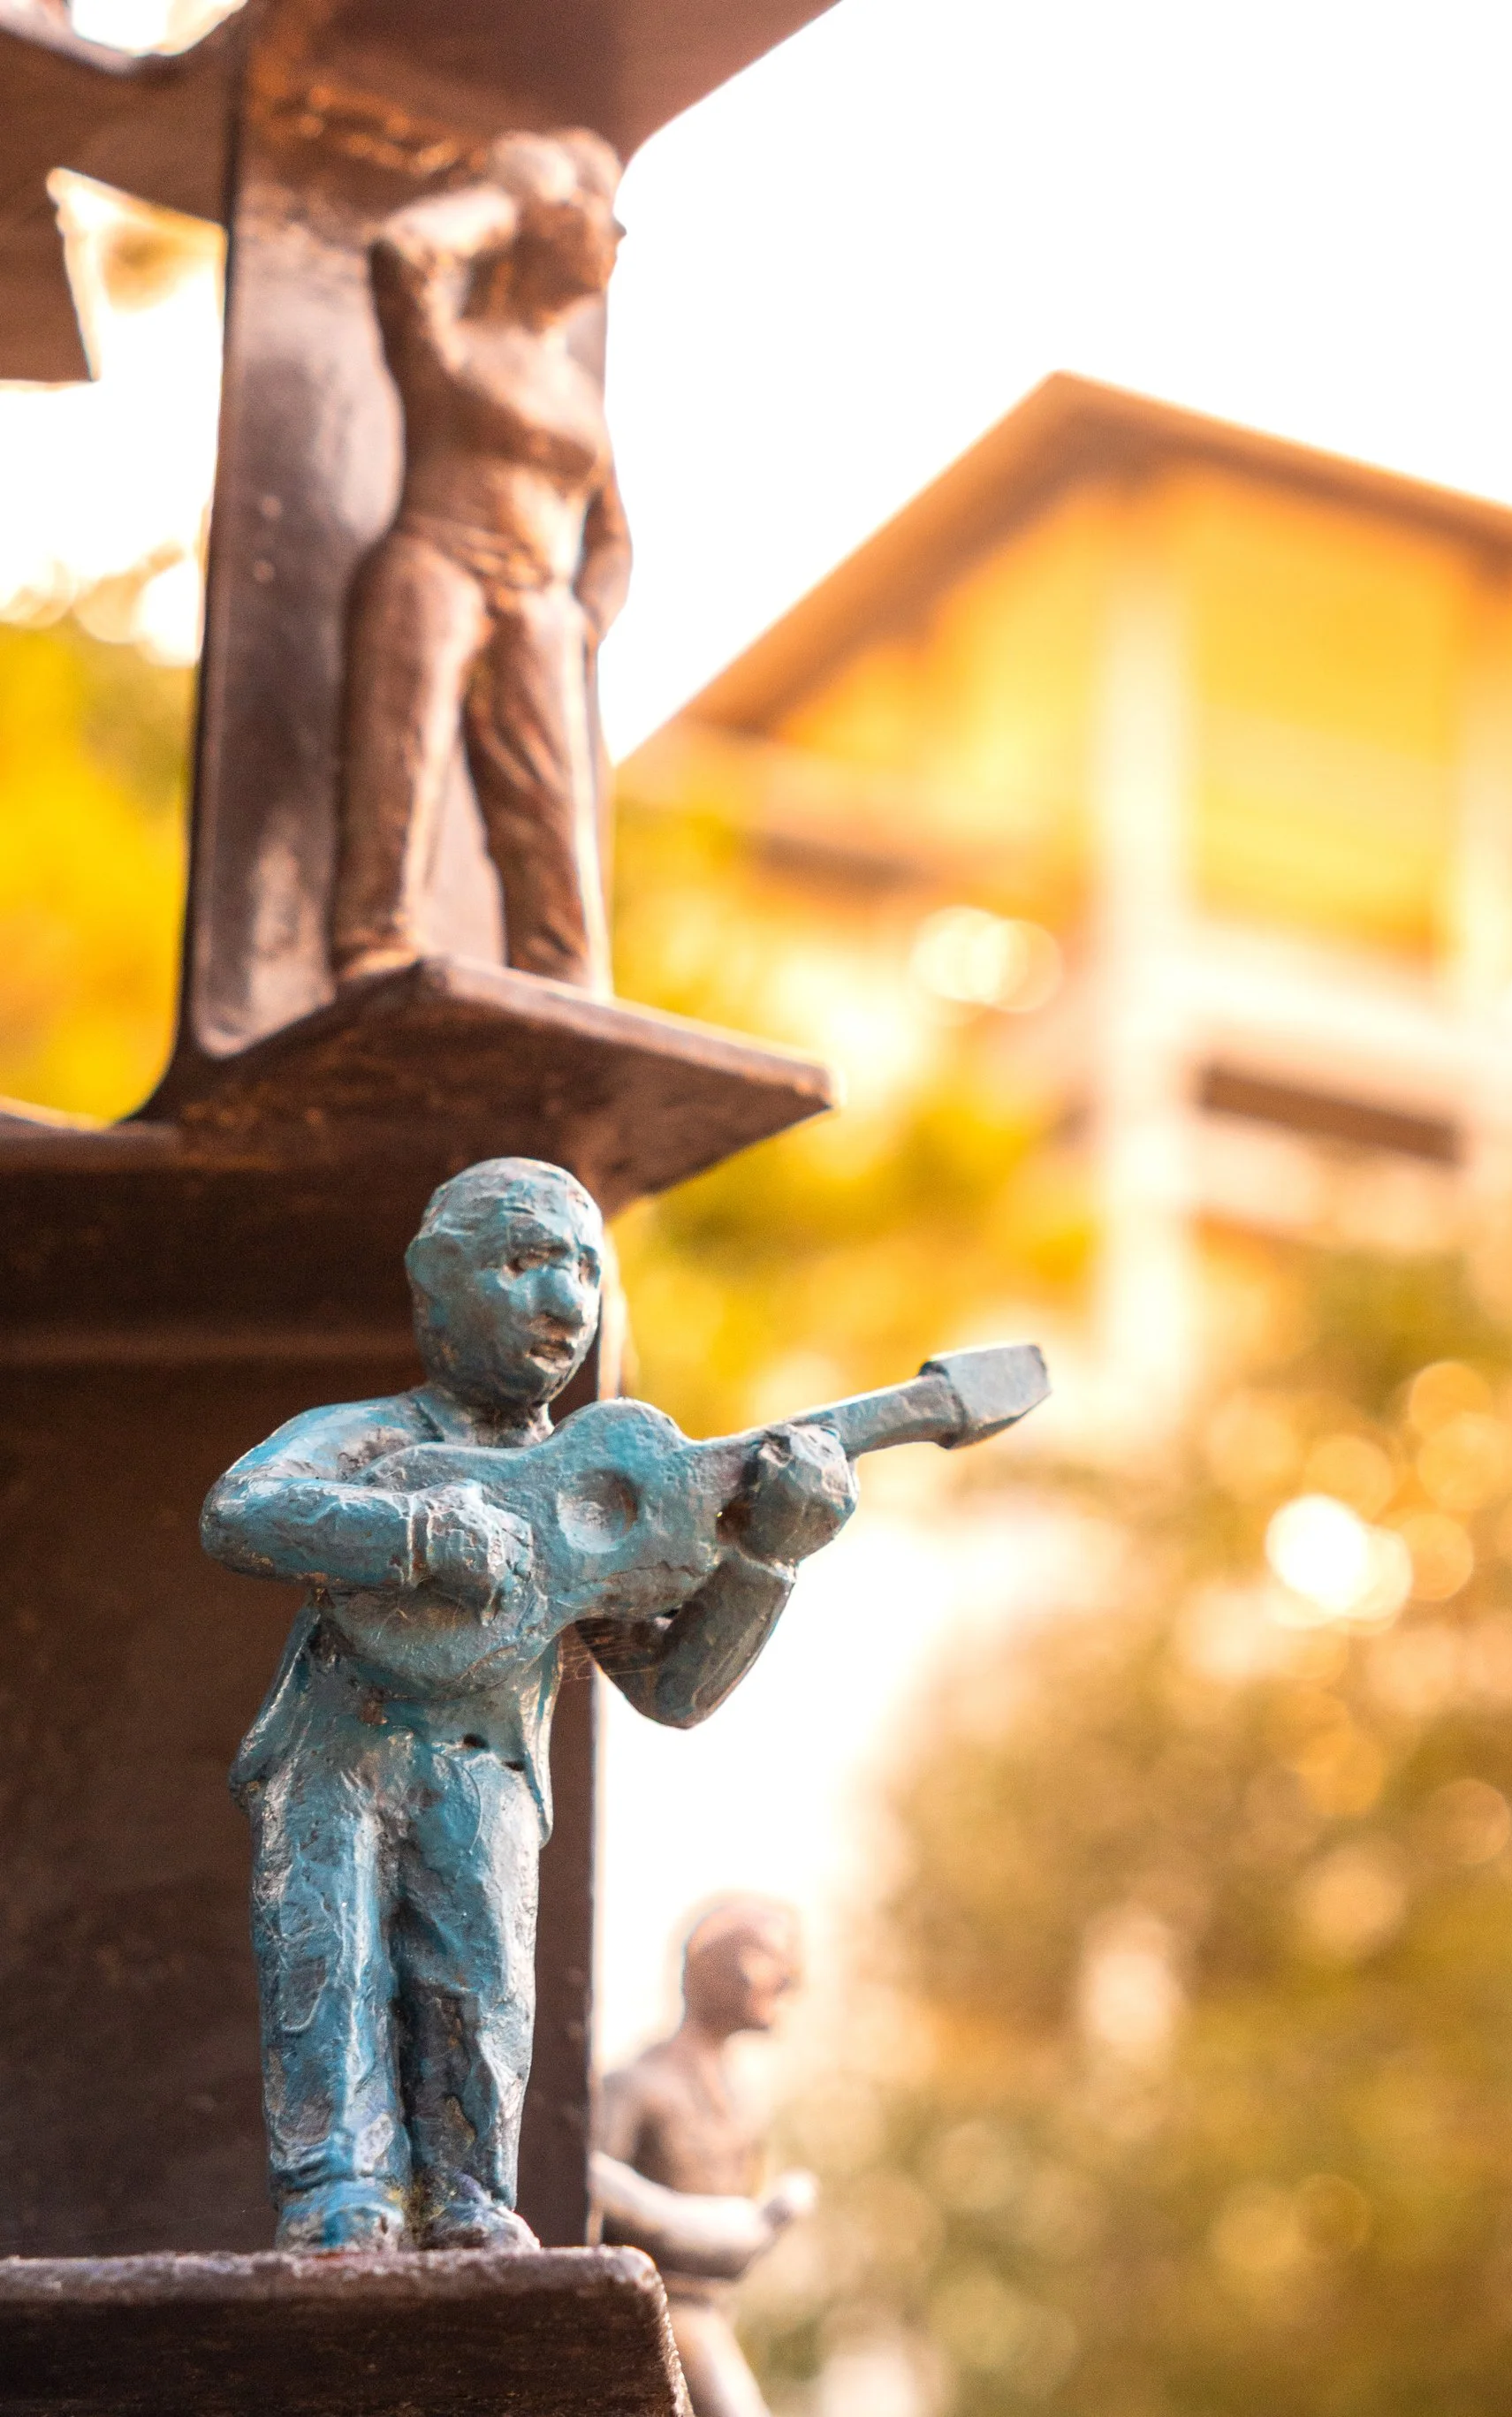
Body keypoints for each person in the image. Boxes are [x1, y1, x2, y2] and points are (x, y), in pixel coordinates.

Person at [202, 1159, 855, 2254]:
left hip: (489, 1772)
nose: (565, 1301)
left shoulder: (598, 1485)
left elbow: (674, 1687)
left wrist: (766, 1562)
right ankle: (336, 2190)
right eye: (524, 1261)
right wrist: (411, 1534)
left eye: (587, 1269)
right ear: (433, 1280)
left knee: (480, 1984)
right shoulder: (372, 1437)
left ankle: (468, 2193)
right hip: (331, 1759)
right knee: (329, 1961)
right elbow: (241, 1510)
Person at [329, 129, 632, 994]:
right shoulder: (453, 344)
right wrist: (504, 198)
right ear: (543, 218)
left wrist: (585, 616)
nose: (614, 238)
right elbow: (404, 252)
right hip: (437, 563)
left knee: (551, 814)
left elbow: (612, 535)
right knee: (403, 761)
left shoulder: (577, 392)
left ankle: (565, 982)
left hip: (537, 600)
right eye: (594, 210)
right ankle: (375, 940)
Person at [596, 1897, 818, 2417]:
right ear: (718, 1968)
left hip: (712, 2317)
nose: (787, 1979)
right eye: (767, 1956)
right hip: (651, 2321)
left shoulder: (741, 2103)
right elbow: (584, 2210)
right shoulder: (636, 2087)